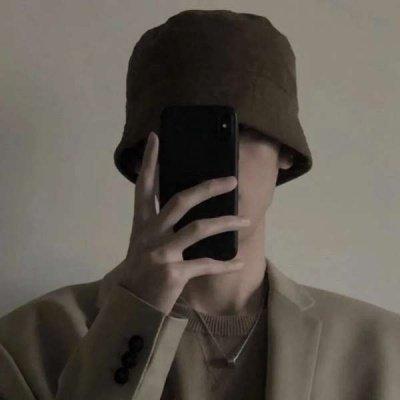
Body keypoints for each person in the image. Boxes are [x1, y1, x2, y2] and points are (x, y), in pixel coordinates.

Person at [1, 9, 400, 400]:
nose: (222, 162)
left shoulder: (382, 352)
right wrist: (135, 315)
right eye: (189, 136)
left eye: (239, 130)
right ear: (142, 158)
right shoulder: (30, 345)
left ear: (286, 152)